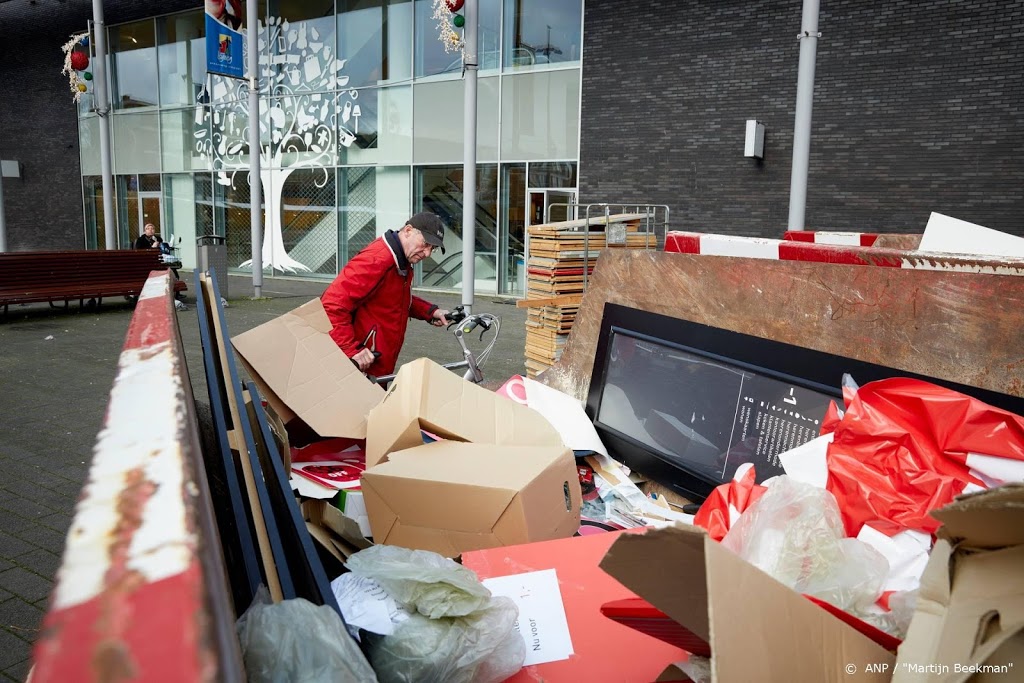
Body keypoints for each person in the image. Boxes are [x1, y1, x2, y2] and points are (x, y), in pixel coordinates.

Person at [322, 212, 451, 376]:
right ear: (408, 230)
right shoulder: (376, 260)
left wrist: (430, 311)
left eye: (432, 249)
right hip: (361, 366)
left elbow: (392, 298)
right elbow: (331, 306)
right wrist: (351, 348)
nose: (427, 253)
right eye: (425, 244)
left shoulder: (400, 260)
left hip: (376, 363)